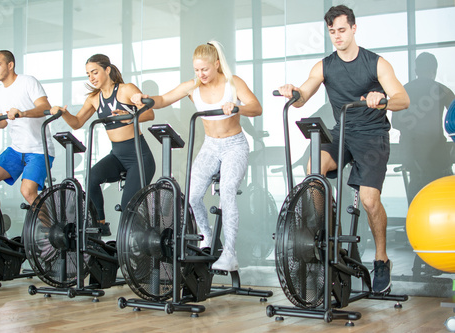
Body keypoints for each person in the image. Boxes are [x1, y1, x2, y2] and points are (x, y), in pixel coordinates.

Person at [278, 5, 410, 294]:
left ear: (353, 28)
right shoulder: (324, 65)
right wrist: (293, 92)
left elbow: (403, 99)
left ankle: (381, 259)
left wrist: (383, 98)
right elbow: (303, 95)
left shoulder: (376, 63)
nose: (336, 36)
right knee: (314, 169)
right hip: (343, 133)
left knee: (369, 200)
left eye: (341, 30)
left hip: (373, 135)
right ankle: (329, 237)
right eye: (331, 32)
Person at [131, 41, 262, 272]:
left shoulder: (233, 83)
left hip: (234, 145)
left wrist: (237, 108)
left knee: (228, 192)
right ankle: (208, 237)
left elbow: (256, 107)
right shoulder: (193, 86)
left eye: (205, 69)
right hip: (211, 146)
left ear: (217, 64)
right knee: (191, 196)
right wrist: (144, 99)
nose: (201, 74)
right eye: (197, 70)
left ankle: (230, 254)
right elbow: (163, 100)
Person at [50, 54, 156, 237]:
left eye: (94, 72)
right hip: (117, 156)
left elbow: (149, 114)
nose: (91, 78)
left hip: (139, 156)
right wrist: (62, 113)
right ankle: (99, 224)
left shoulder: (125, 89)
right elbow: (76, 123)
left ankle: (135, 243)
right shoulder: (94, 98)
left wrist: (129, 115)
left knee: (127, 207)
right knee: (91, 177)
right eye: (88, 74)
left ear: (107, 70)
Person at [0, 50, 55, 211]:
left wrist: (22, 112)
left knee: (27, 192)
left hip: (39, 150)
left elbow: (45, 107)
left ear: (10, 65)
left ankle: (52, 230)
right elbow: (2, 123)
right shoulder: (0, 92)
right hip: (16, 149)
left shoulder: (28, 81)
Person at [392, 52, 455, 204]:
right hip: (437, 153)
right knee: (445, 195)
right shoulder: (443, 90)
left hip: (413, 154)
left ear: (416, 70)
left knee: (417, 195)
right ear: (435, 70)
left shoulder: (404, 91)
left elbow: (395, 123)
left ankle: (414, 226)